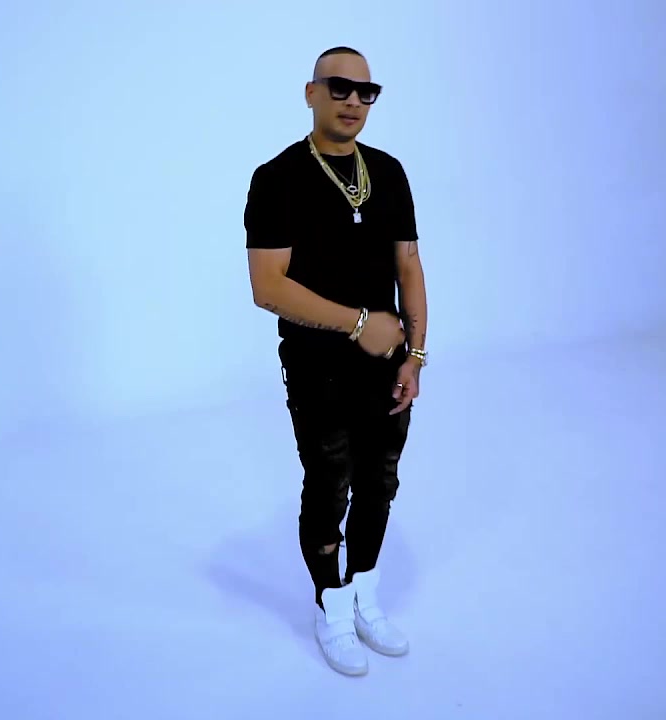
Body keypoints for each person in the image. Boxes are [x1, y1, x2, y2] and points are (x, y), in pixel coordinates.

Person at [243, 46, 429, 676]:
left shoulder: (389, 171)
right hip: (318, 366)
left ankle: (365, 596)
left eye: (365, 91)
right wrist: (357, 323)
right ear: (311, 93)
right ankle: (332, 604)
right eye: (339, 87)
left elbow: (409, 264)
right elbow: (267, 286)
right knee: (329, 485)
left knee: (380, 481)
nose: (353, 101)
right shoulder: (277, 178)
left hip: (388, 364)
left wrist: (415, 354)